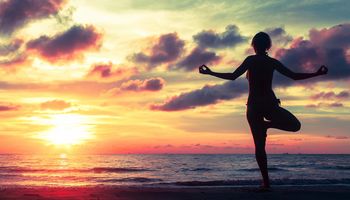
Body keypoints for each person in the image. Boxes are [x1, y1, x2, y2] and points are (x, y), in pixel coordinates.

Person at [198, 32, 328, 190]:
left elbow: (233, 76)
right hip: (268, 104)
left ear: (254, 45)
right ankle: (267, 132)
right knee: (294, 126)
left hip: (254, 106)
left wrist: (210, 72)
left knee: (260, 146)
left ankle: (266, 183)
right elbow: (294, 76)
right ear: (268, 46)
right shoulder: (271, 62)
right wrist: (316, 73)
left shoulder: (252, 60)